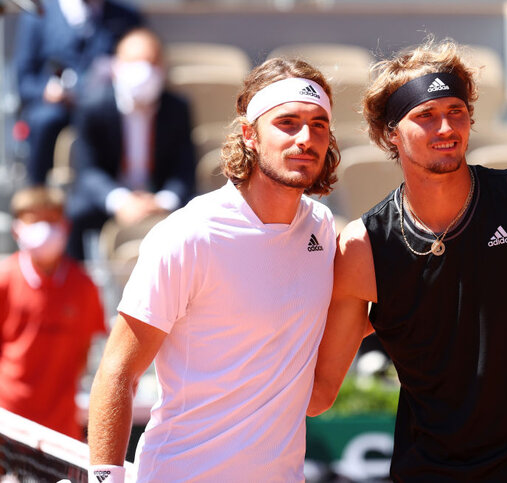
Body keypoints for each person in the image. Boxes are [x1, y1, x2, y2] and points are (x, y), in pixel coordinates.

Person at [308, 38, 507, 481]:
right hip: (430, 471)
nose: (446, 127)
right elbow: (320, 393)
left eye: (456, 111)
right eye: (425, 115)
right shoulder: (362, 246)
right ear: (390, 133)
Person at [86, 58, 340, 482]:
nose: (305, 138)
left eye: (318, 124)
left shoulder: (323, 228)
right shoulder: (188, 235)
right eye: (288, 122)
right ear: (249, 135)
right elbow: (117, 371)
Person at [66, 27, 196, 260]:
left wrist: (164, 200)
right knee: (76, 213)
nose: (144, 71)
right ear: (116, 67)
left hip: (159, 197)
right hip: (112, 197)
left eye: (152, 62)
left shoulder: (177, 107)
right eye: (135, 62)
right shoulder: (93, 107)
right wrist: (120, 201)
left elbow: (184, 167)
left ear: (163, 68)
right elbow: (87, 171)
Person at [0, 186, 105, 440]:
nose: (44, 229)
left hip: (62, 423)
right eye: (34, 220)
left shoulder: (83, 285)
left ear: (65, 226)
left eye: (51, 219)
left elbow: (86, 349)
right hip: (9, 417)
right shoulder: (5, 278)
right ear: (17, 228)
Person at [13, 0, 142, 185]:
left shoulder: (126, 16)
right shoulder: (39, 14)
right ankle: (38, 195)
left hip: (105, 106)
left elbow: (143, 58)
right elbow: (24, 81)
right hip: (56, 109)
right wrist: (47, 91)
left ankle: (119, 193)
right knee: (44, 120)